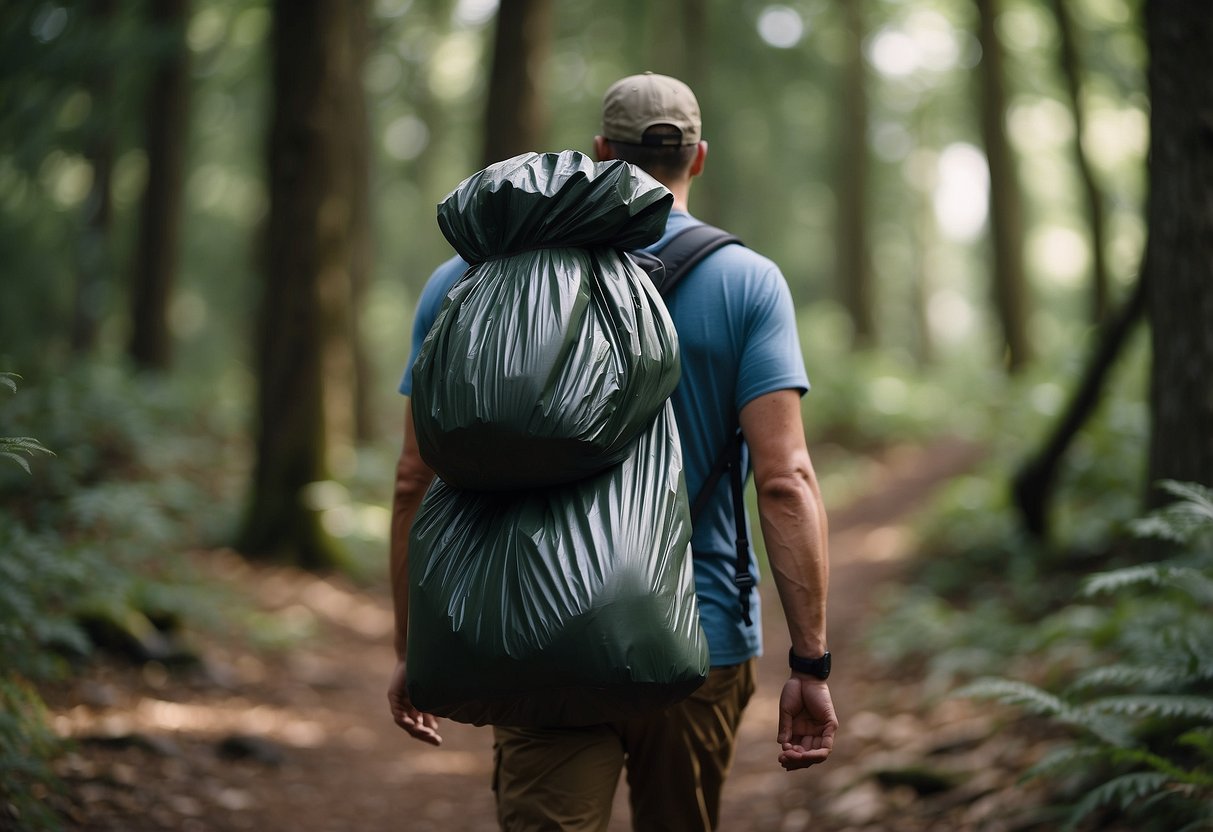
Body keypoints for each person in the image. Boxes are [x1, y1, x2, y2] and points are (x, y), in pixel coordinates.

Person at [388, 72, 837, 831]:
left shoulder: (470, 280)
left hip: (529, 634)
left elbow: (412, 480)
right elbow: (785, 481)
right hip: (699, 637)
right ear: (698, 158)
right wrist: (810, 663)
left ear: (601, 153)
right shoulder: (746, 283)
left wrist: (412, 648)